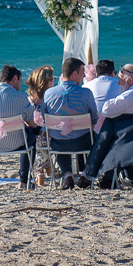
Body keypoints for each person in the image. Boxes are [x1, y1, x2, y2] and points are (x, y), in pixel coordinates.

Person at [0, 65, 38, 190]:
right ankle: (23, 180)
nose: (20, 85)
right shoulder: (21, 97)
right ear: (15, 78)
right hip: (15, 144)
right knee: (32, 134)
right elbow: (32, 124)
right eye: (20, 81)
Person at [42, 57, 98, 189]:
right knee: (99, 140)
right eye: (82, 72)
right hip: (83, 142)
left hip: (58, 144)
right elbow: (94, 120)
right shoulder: (86, 93)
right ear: (74, 74)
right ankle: (85, 174)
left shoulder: (49, 94)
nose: (84, 76)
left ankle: (67, 176)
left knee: (60, 136)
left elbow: (45, 119)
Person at [25, 64, 55, 187]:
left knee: (36, 137)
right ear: (47, 83)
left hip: (32, 140)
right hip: (51, 140)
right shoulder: (51, 100)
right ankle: (47, 167)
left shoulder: (27, 101)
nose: (54, 81)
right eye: (53, 79)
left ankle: (40, 171)